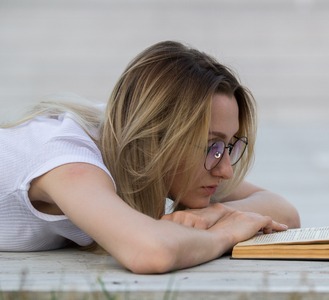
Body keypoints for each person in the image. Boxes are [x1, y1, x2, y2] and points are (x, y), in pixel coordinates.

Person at [0, 41, 300, 274]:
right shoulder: (68, 162)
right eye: (212, 146)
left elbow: (283, 212)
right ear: (157, 137)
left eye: (228, 146)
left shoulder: (128, 135)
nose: (225, 171)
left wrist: (208, 214)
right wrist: (226, 232)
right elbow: (151, 252)